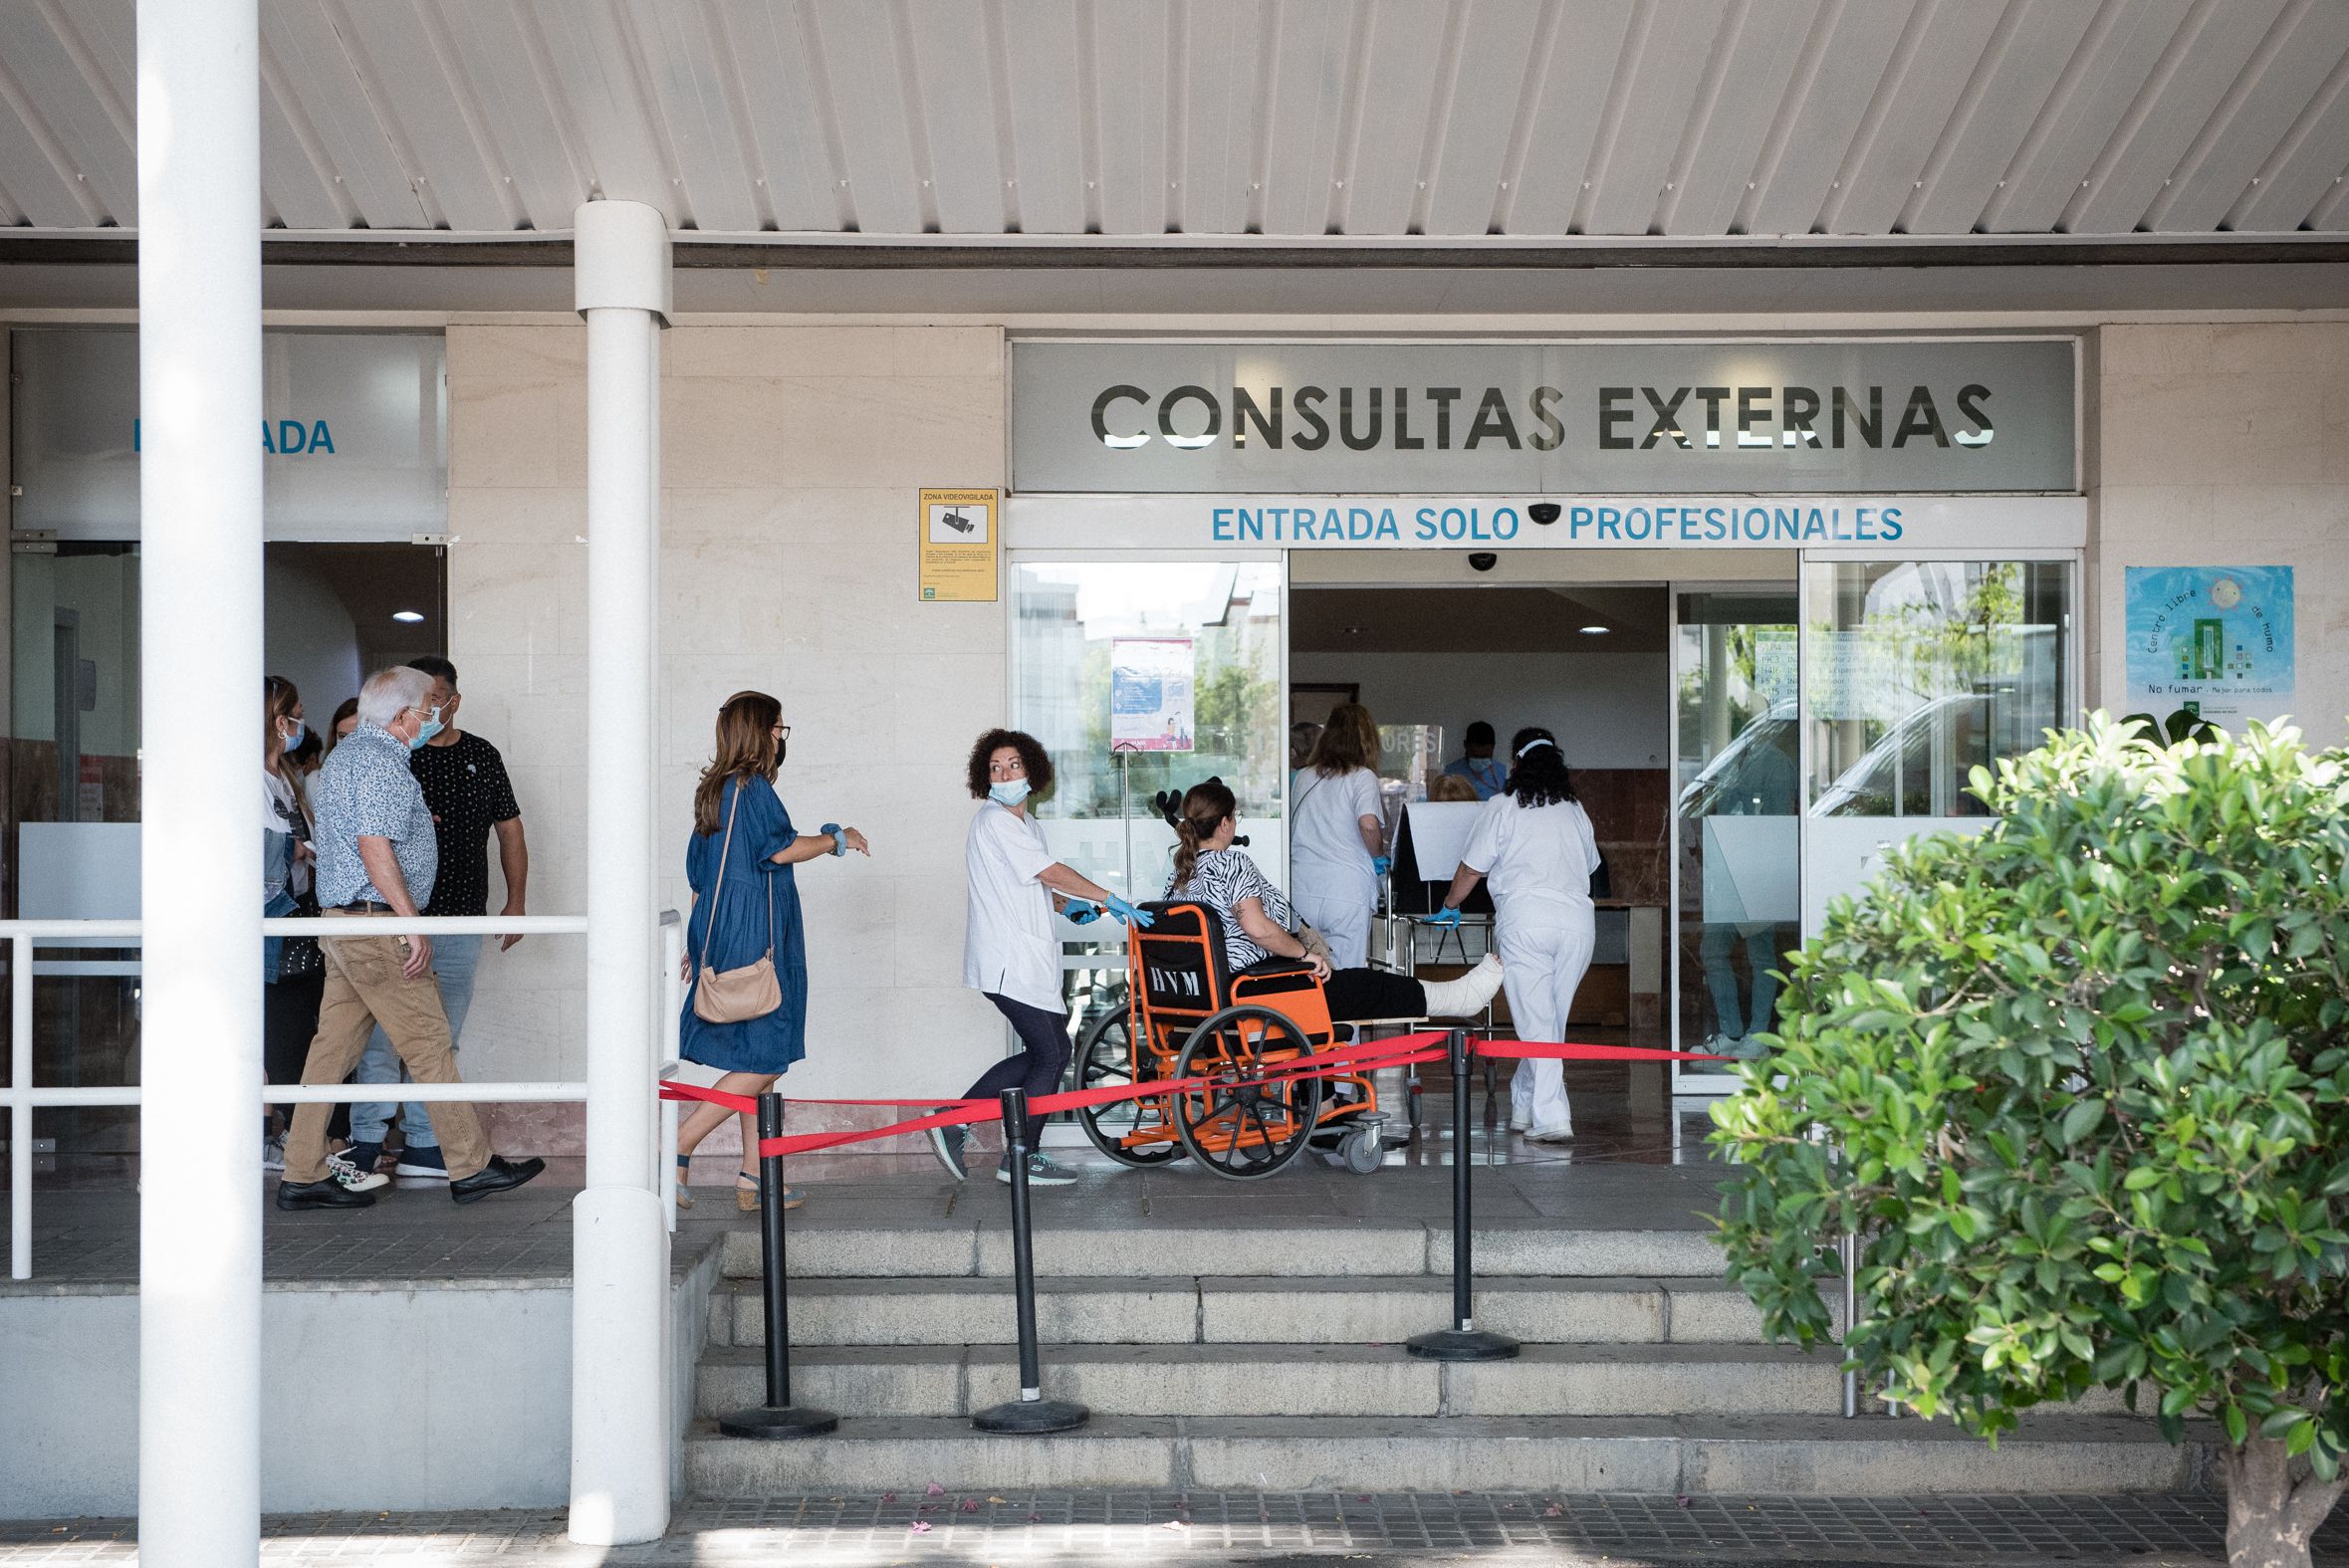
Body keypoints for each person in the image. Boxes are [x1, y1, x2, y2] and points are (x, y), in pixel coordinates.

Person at [274, 665, 545, 1210]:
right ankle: (470, 1165)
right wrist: (409, 922)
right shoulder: (379, 762)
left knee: (330, 1052)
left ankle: (301, 1171)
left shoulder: (350, 755)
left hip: (348, 924)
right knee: (427, 1041)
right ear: (402, 716)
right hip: (376, 925)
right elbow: (374, 845)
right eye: (426, 710)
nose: (431, 717)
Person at [671, 691, 867, 1213]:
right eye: (780, 729)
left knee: (755, 1056)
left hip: (727, 933)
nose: (782, 738)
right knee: (767, 1055)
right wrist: (837, 839)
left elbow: (699, 880)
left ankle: (755, 1176)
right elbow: (780, 849)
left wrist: (701, 942)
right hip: (760, 936)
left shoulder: (713, 790)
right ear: (762, 733)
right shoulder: (750, 787)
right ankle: (677, 1145)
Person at [341, 656, 531, 1183]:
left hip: (460, 919)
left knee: (441, 1036)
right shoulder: (394, 753)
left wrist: (516, 901)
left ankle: (425, 1143)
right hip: (396, 918)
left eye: (437, 700)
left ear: (454, 700)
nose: (429, 711)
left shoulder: (481, 755)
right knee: (382, 1036)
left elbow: (510, 830)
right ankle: (367, 1140)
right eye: (423, 702)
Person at [931, 728, 1147, 1188]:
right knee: (1053, 1053)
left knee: (1044, 1052)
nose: (1005, 774)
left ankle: (958, 1122)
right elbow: (1049, 872)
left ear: (1031, 771)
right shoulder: (995, 821)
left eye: (1013, 765)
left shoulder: (1027, 824)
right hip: (1007, 959)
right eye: (995, 768)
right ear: (985, 777)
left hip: (1023, 959)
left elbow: (1031, 883)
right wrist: (1108, 897)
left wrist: (1068, 906)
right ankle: (1015, 1153)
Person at [1166, 780, 1505, 1022]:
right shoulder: (1231, 863)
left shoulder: (1180, 876)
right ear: (1225, 823)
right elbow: (1257, 928)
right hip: (1252, 991)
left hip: (1203, 994)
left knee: (1346, 985)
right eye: (1235, 817)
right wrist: (1304, 954)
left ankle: (1322, 1094)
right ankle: (1456, 999)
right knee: (1365, 984)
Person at [1432, 728, 1599, 1142]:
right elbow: (1591, 865)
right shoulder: (1575, 809)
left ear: (1516, 762)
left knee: (1538, 1023)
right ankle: (1524, 1103)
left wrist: (1450, 904)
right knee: (1549, 1022)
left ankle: (1552, 1117)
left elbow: (1472, 867)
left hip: (1526, 921)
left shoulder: (1503, 806)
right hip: (1577, 925)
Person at [260, 677, 354, 1182]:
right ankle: (305, 1156)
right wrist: (293, 849)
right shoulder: (246, 780)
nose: (302, 723)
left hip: (300, 920)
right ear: (279, 721)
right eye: (296, 714)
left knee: (310, 1037)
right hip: (274, 929)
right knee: (287, 1043)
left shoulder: (285, 779)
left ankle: (313, 1150)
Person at [1290, 702, 1385, 971]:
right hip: (1346, 888)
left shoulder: (1303, 777)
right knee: (1346, 975)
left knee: (1306, 971)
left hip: (1302, 887)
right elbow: (1368, 824)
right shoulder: (1362, 777)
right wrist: (1379, 858)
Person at [1441, 721, 1508, 800]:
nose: (1480, 760)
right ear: (1465, 745)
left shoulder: (1502, 772)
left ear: (1493, 747)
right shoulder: (1450, 773)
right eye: (1475, 756)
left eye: (1485, 756)